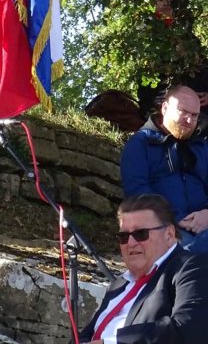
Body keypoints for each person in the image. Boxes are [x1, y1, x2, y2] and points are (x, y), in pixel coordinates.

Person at [78, 194, 208, 343]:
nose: (131, 243)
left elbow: (189, 328)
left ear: (169, 234)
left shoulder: (190, 267)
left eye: (141, 233)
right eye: (124, 236)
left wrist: (111, 342)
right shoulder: (119, 285)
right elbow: (86, 336)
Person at [121, 85, 208, 254]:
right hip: (162, 229)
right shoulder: (140, 144)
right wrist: (176, 218)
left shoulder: (201, 147)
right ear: (165, 108)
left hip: (203, 227)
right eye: (183, 112)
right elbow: (137, 194)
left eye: (194, 115)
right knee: (194, 256)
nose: (189, 120)